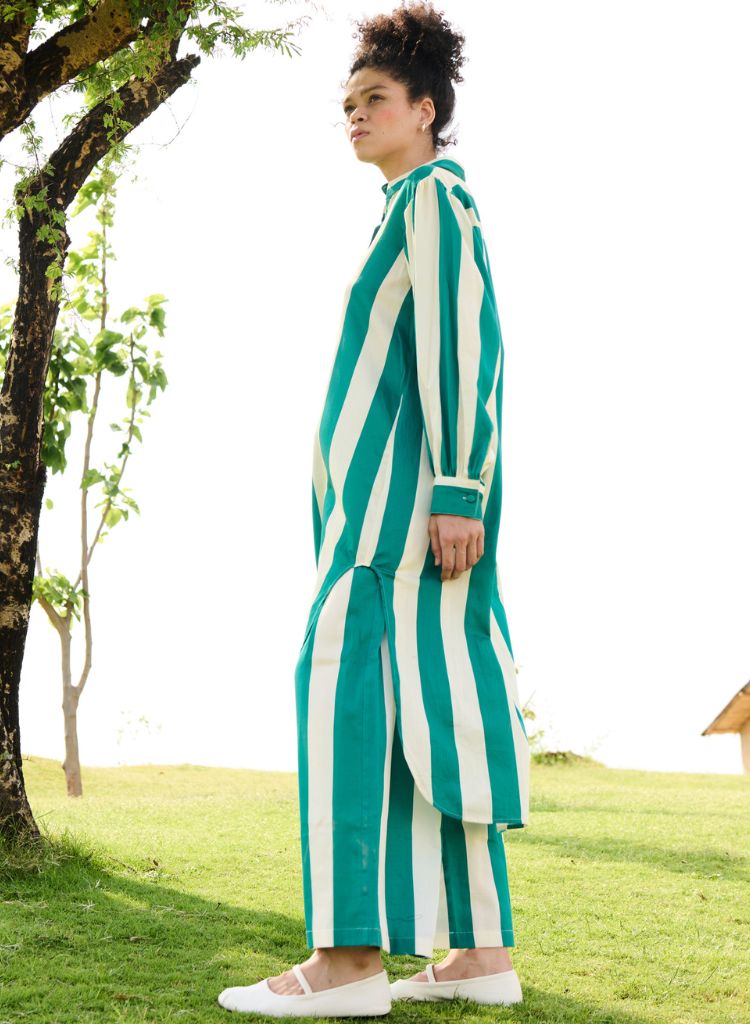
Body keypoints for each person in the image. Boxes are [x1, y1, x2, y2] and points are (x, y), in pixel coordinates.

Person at [218, 1, 530, 1015]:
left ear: (426, 109)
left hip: (396, 521)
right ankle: (480, 955)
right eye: (347, 102)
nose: (354, 115)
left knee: (341, 693)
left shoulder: (434, 200)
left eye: (375, 98)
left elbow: (463, 346)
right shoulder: (411, 205)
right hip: (392, 517)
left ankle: (347, 963)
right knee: (432, 711)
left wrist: (458, 489)